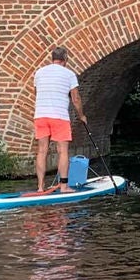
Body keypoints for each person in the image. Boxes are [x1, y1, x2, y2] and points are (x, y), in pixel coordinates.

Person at [32, 46, 86, 193]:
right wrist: (81, 115)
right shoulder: (69, 74)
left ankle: (40, 187)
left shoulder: (39, 72)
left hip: (41, 116)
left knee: (42, 151)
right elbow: (75, 98)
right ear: (65, 59)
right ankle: (64, 186)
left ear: (52, 58)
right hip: (59, 116)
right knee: (62, 151)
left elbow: (37, 92)